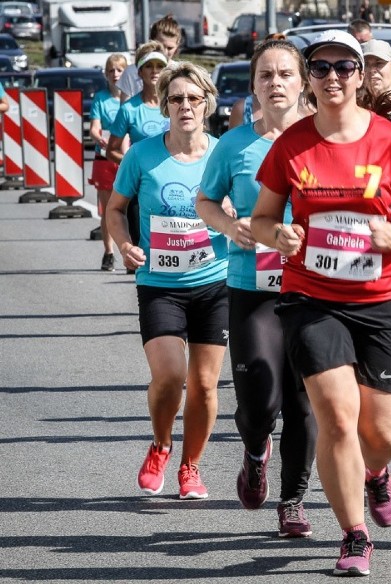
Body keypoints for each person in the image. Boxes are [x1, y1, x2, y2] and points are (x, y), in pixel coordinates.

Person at [250, 30, 391, 576]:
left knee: (382, 433)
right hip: (312, 296)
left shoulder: (388, 139)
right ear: (310, 77)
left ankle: (376, 472)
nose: (333, 77)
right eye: (322, 67)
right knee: (335, 417)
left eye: (344, 67)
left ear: (359, 74)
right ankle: (354, 535)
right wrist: (276, 237)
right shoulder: (292, 144)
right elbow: (262, 217)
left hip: (382, 298)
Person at [195, 39, 318, 538]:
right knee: (260, 398)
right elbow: (205, 201)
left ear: (302, 81)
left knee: (304, 400)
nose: (276, 83)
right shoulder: (235, 145)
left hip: (314, 288)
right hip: (253, 285)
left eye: (285, 74)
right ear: (253, 86)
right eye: (265, 75)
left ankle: (292, 501)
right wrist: (228, 226)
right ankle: (254, 451)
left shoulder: (320, 140)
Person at [105, 62, 227, 500]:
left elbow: (254, 205)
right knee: (170, 377)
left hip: (216, 281)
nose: (186, 106)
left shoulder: (222, 154)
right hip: (160, 283)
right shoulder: (142, 155)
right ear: (163, 104)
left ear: (207, 102)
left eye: (194, 98)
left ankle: (191, 467)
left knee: (206, 384)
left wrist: (235, 216)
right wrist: (124, 245)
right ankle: (160, 444)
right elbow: (116, 208)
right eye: (177, 99)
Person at [107, 42, 171, 272]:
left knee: (176, 246)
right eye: (149, 66)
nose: (154, 71)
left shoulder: (175, 104)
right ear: (140, 72)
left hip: (174, 183)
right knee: (141, 253)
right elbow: (111, 149)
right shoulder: (130, 109)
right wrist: (133, 166)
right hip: (140, 189)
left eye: (159, 66)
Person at [89, 53, 127, 272]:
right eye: (111, 70)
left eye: (119, 70)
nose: (115, 74)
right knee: (107, 208)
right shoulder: (101, 98)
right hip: (104, 157)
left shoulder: (131, 98)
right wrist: (97, 137)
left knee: (131, 208)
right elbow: (94, 126)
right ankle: (109, 252)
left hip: (125, 158)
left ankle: (131, 250)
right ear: (106, 74)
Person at [116, 15, 182, 100]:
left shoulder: (180, 73)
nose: (165, 52)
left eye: (170, 48)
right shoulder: (132, 72)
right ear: (151, 41)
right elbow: (124, 109)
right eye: (161, 45)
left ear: (177, 47)